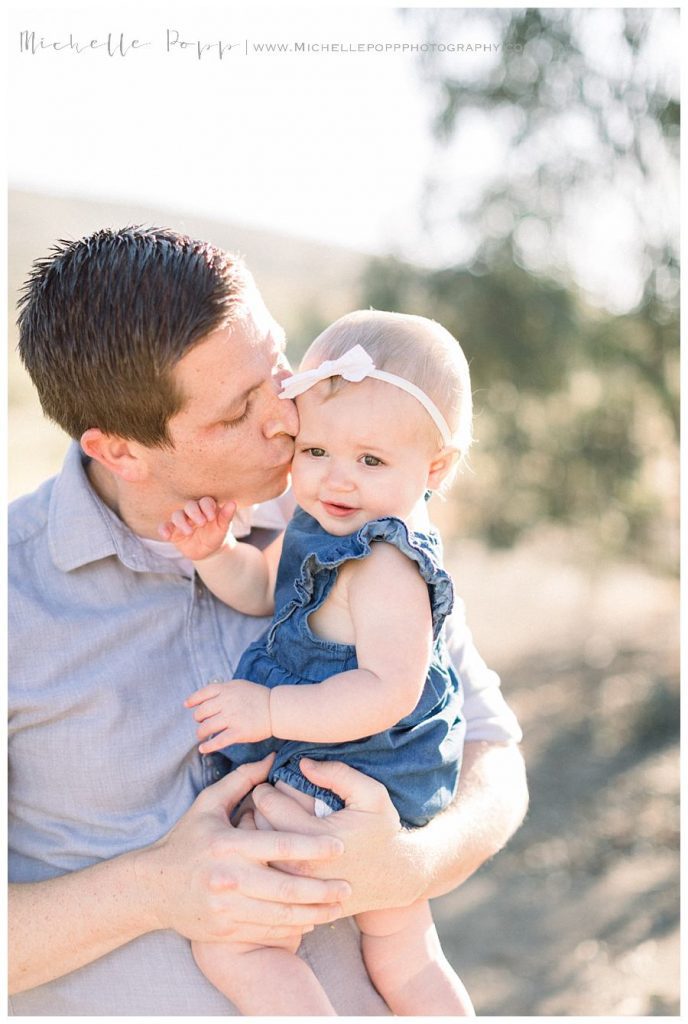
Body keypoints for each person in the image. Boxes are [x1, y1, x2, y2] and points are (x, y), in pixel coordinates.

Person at [9, 226, 527, 1016]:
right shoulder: (14, 598)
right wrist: (155, 890)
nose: (288, 420)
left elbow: (496, 758)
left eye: (279, 369)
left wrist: (410, 868)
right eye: (239, 411)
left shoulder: (346, 506)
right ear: (121, 451)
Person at [159, 312, 477, 1016]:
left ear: (435, 469)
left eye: (370, 460)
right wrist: (215, 553)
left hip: (361, 769)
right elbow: (263, 590)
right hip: (350, 763)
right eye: (315, 450)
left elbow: (390, 690)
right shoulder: (320, 525)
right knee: (401, 949)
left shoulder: (389, 565)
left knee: (236, 942)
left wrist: (269, 710)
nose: (337, 479)